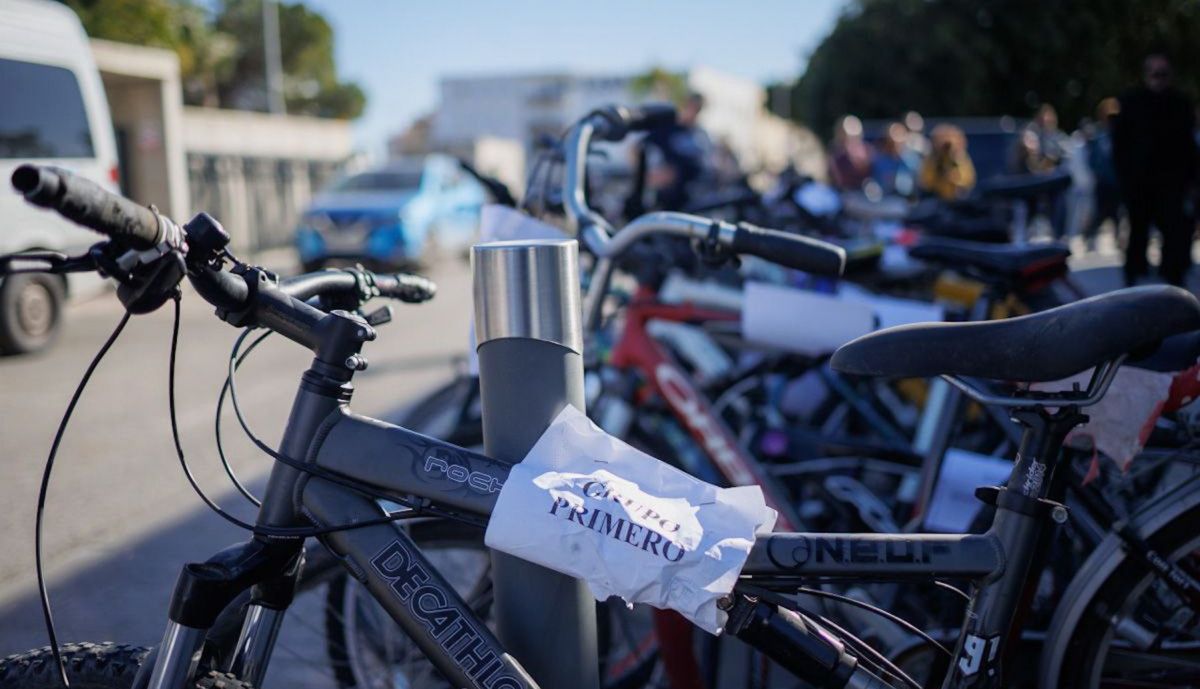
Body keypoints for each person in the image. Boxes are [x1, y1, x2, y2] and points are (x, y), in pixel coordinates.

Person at [1114, 54, 1198, 286]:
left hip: (1172, 183)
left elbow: (1189, 147)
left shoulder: (1180, 103)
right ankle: (1133, 277)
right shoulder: (1132, 102)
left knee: (1174, 232)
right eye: (1154, 73)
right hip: (1139, 183)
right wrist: (1125, 180)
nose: (1159, 79)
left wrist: (1191, 182)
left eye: (1163, 74)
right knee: (1137, 232)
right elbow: (1120, 146)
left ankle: (1173, 278)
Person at [641, 92, 711, 211]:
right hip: (669, 198)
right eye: (690, 106)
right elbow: (637, 148)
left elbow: (706, 162)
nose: (692, 111)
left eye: (697, 109)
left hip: (696, 196)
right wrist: (646, 175)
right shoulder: (668, 130)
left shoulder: (700, 133)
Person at [1084, 98, 1122, 251]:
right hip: (1103, 181)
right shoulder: (1098, 135)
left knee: (1118, 213)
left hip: (1117, 181)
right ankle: (1090, 238)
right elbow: (1093, 159)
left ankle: (1120, 239)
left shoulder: (1120, 134)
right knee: (1099, 212)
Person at [919, 123, 976, 201]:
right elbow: (925, 181)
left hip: (957, 199)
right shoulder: (932, 158)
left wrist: (954, 176)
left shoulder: (960, 157)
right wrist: (938, 171)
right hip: (936, 198)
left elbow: (968, 180)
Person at [828, 115, 873, 190]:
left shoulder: (866, 150)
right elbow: (834, 174)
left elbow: (868, 169)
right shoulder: (836, 152)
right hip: (844, 191)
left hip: (863, 190)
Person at [870, 122, 916, 196]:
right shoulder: (881, 160)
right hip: (886, 199)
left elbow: (916, 184)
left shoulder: (912, 159)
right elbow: (877, 182)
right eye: (891, 142)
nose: (895, 144)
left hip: (909, 200)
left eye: (898, 138)